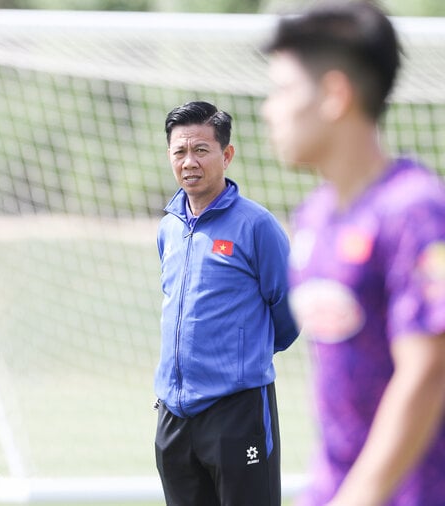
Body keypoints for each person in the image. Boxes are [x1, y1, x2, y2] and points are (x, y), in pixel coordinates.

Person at [261, 2, 445, 505]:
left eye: (282, 90)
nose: (268, 109)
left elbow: (428, 371)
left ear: (335, 95)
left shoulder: (415, 211)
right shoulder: (313, 217)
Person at [154, 100, 299, 506]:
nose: (189, 162)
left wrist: (241, 356)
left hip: (237, 414)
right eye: (179, 151)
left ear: (226, 155)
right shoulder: (168, 227)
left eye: (201, 150)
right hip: (173, 416)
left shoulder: (257, 226)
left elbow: (288, 314)